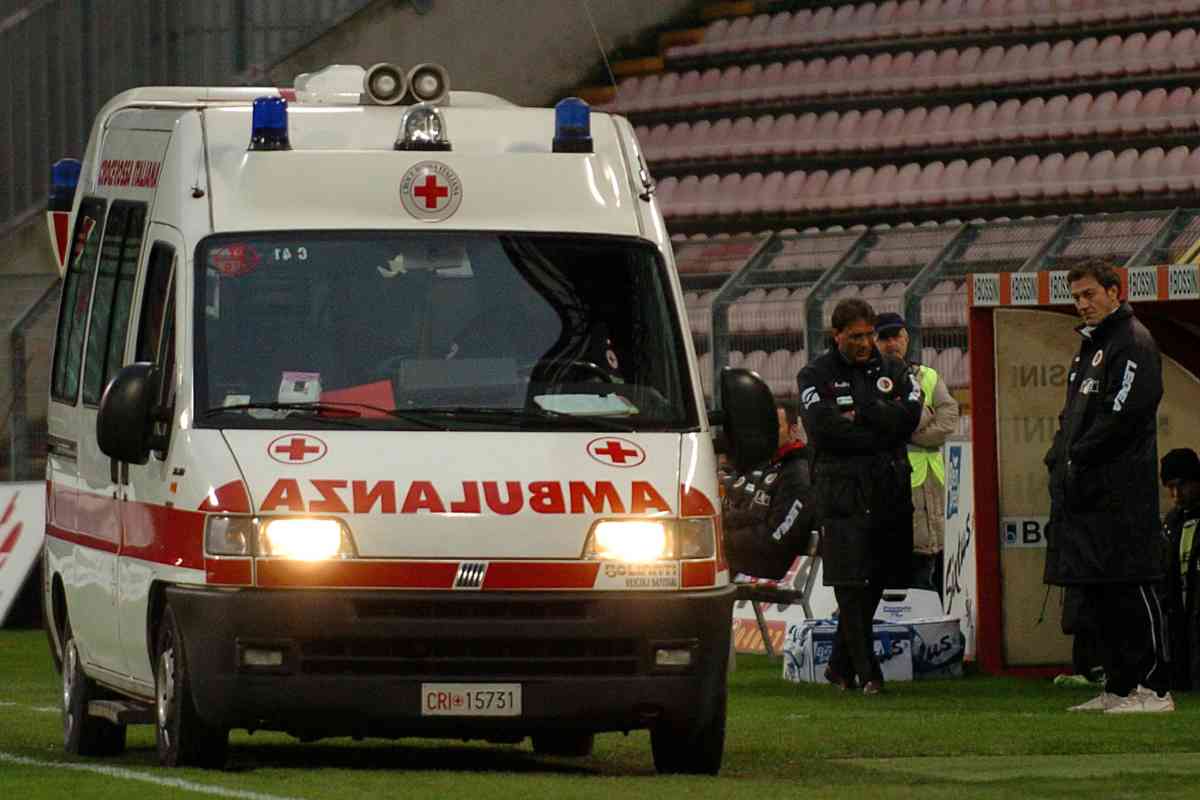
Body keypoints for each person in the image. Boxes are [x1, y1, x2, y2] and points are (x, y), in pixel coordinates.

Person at [1043, 257, 1173, 713]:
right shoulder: (1091, 346)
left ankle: (1154, 689)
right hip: (1089, 493)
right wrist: (1058, 458)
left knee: (1132, 585)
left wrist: (1077, 455)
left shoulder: (1133, 342)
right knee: (1100, 593)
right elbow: (1072, 418)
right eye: (1076, 296)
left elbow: (1124, 414)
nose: (1081, 304)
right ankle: (1119, 687)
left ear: (1115, 291)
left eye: (1089, 294)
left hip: (1123, 491)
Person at [797, 298, 922, 694]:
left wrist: (863, 414)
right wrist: (881, 424)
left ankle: (838, 664)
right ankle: (869, 673)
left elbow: (911, 419)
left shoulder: (895, 368)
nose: (866, 343)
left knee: (878, 577)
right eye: (856, 336)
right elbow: (824, 430)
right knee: (851, 580)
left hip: (888, 487)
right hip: (842, 490)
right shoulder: (814, 374)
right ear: (837, 336)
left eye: (869, 334)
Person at [875, 312, 960, 599]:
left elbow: (948, 417)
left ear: (906, 338)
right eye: (884, 338)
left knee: (936, 551)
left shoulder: (927, 374)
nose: (891, 344)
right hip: (899, 476)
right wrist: (922, 416)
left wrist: (910, 432)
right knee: (910, 558)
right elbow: (890, 421)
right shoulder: (876, 379)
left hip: (933, 476)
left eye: (896, 336)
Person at [722, 406, 817, 582]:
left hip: (765, 564)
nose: (768, 434)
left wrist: (723, 541)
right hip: (742, 556)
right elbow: (746, 515)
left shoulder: (798, 473)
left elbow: (776, 537)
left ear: (793, 430)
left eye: (775, 427)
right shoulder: (765, 465)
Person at [1160, 447, 1200, 691]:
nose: (1176, 494)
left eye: (1181, 485)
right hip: (1180, 608)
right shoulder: (1172, 522)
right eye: (1171, 488)